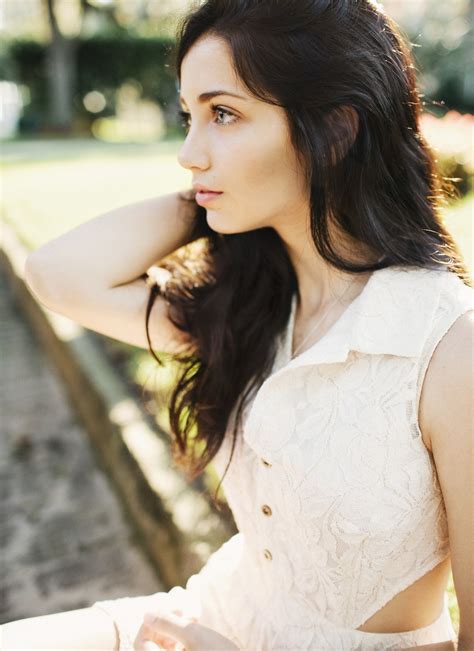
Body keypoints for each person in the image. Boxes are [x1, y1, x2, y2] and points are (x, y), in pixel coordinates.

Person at [4, 0, 473, 649]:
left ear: (335, 131)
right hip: (195, 619)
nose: (189, 153)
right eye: (188, 116)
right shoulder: (248, 303)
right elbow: (57, 274)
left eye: (223, 114)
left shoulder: (448, 347)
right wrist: (217, 193)